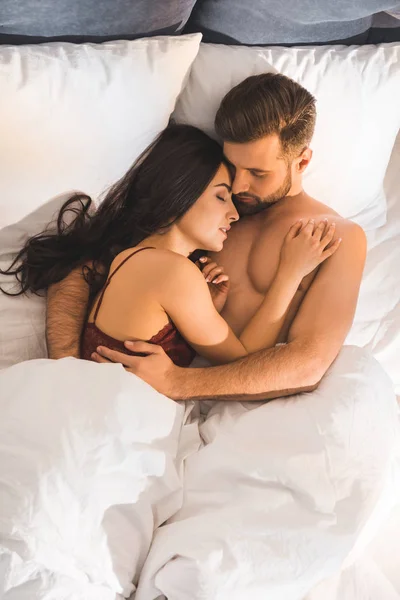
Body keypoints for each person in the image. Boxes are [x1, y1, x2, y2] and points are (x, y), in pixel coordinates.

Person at [46, 73, 367, 401]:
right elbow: (76, 265)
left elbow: (307, 365)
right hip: (136, 390)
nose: (239, 187)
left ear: (302, 161)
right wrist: (71, 372)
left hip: (232, 400)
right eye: (232, 165)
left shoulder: (335, 237)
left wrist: (180, 383)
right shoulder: (199, 203)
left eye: (258, 173)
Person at [0, 124, 339, 372]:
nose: (234, 214)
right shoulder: (173, 272)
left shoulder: (127, 258)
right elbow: (244, 359)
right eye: (221, 196)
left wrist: (206, 306)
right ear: (180, 194)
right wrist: (290, 273)